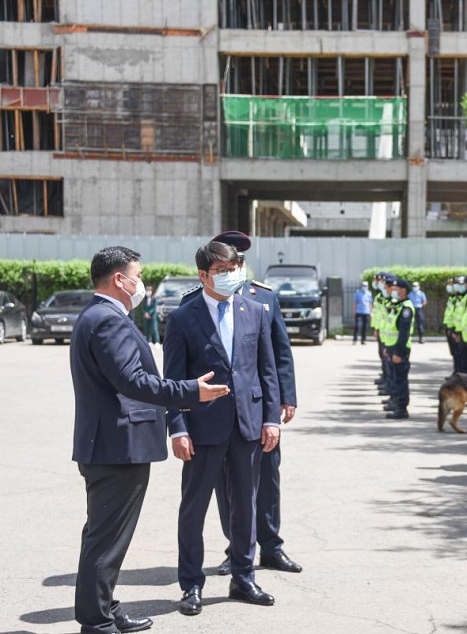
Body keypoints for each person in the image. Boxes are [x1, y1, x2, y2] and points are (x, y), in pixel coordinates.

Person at [70, 246, 229, 634]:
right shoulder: (108, 320)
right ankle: (96, 622)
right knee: (105, 539)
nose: (142, 283)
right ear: (119, 280)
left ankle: (104, 607)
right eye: (137, 276)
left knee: (104, 536)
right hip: (116, 448)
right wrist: (188, 391)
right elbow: (132, 381)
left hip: (110, 445)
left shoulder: (101, 316)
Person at [164, 240, 281, 616]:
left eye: (234, 269)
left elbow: (267, 369)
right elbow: (173, 379)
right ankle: (191, 585)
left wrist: (271, 418)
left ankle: (244, 577)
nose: (232, 276)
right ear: (203, 275)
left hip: (247, 425)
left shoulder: (255, 310)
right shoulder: (184, 316)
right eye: (222, 271)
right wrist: (178, 428)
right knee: (193, 509)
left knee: (245, 507)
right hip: (202, 428)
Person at [177, 231, 302, 580]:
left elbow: (277, 355)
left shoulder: (262, 299)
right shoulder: (192, 305)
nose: (235, 270)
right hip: (215, 417)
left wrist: (285, 398)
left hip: (258, 409)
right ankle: (237, 549)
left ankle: (271, 546)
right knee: (226, 487)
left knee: (266, 480)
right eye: (227, 265)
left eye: (238, 263)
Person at [383, 276, 414, 419]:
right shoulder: (398, 305)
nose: (392, 290)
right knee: (395, 378)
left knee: (401, 379)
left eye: (395, 288)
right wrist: (387, 347)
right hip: (392, 347)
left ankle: (402, 408)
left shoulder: (406, 308)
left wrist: (398, 353)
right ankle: (397, 404)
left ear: (403, 290)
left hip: (399, 349)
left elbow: (403, 334)